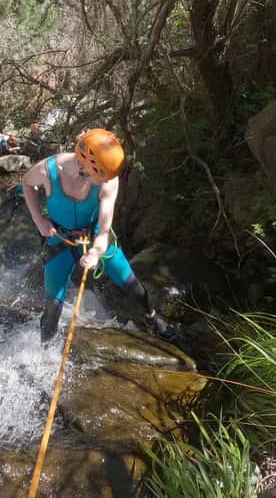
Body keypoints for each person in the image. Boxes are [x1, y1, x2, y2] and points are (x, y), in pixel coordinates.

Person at [21, 128, 175, 342]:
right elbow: (27, 183)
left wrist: (95, 252)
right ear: (84, 165)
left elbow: (104, 229)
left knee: (133, 288)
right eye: (101, 175)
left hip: (95, 238)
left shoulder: (108, 181)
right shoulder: (49, 169)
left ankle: (153, 317)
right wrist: (39, 219)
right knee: (52, 310)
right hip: (59, 242)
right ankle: (44, 353)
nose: (107, 180)